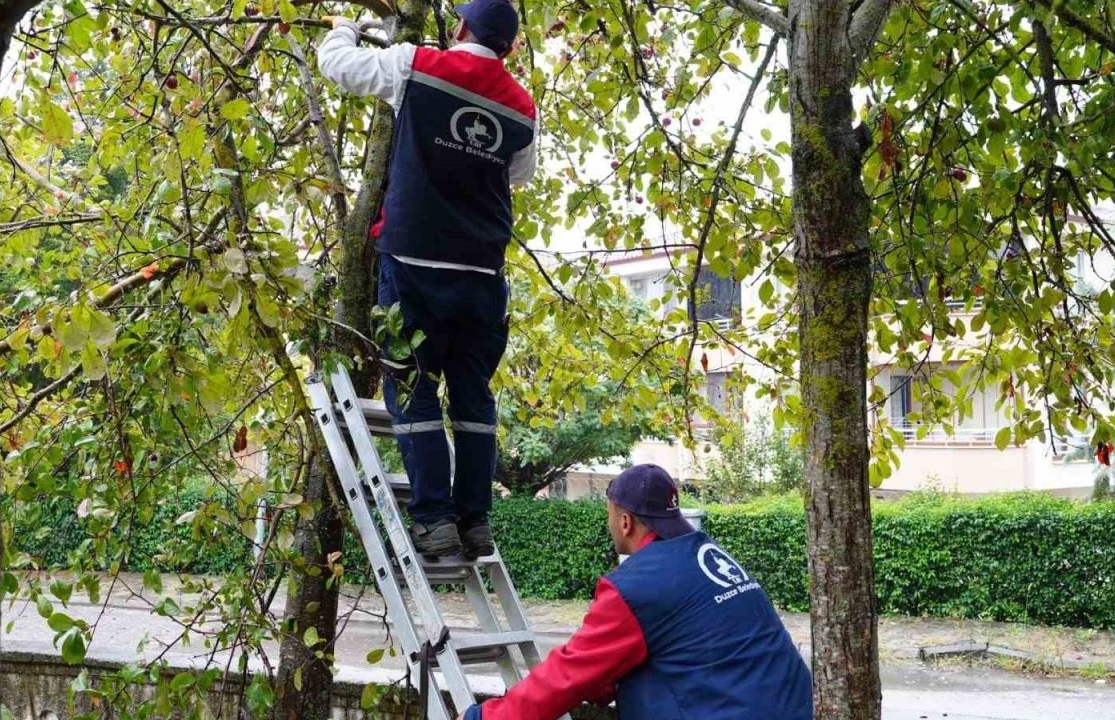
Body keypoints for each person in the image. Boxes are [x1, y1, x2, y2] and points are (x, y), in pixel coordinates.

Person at [317, 0, 537, 559]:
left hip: (414, 264)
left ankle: (435, 521)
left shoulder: (419, 65)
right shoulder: (522, 108)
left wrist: (345, 30)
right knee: (472, 398)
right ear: (509, 47)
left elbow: (338, 66)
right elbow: (518, 174)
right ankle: (475, 521)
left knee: (414, 391)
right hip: (483, 275)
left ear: (460, 27)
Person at [459, 464, 813, 720]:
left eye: (610, 515)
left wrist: (481, 718)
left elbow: (566, 676)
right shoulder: (710, 556)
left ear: (624, 521)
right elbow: (687, 650)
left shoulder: (637, 586)